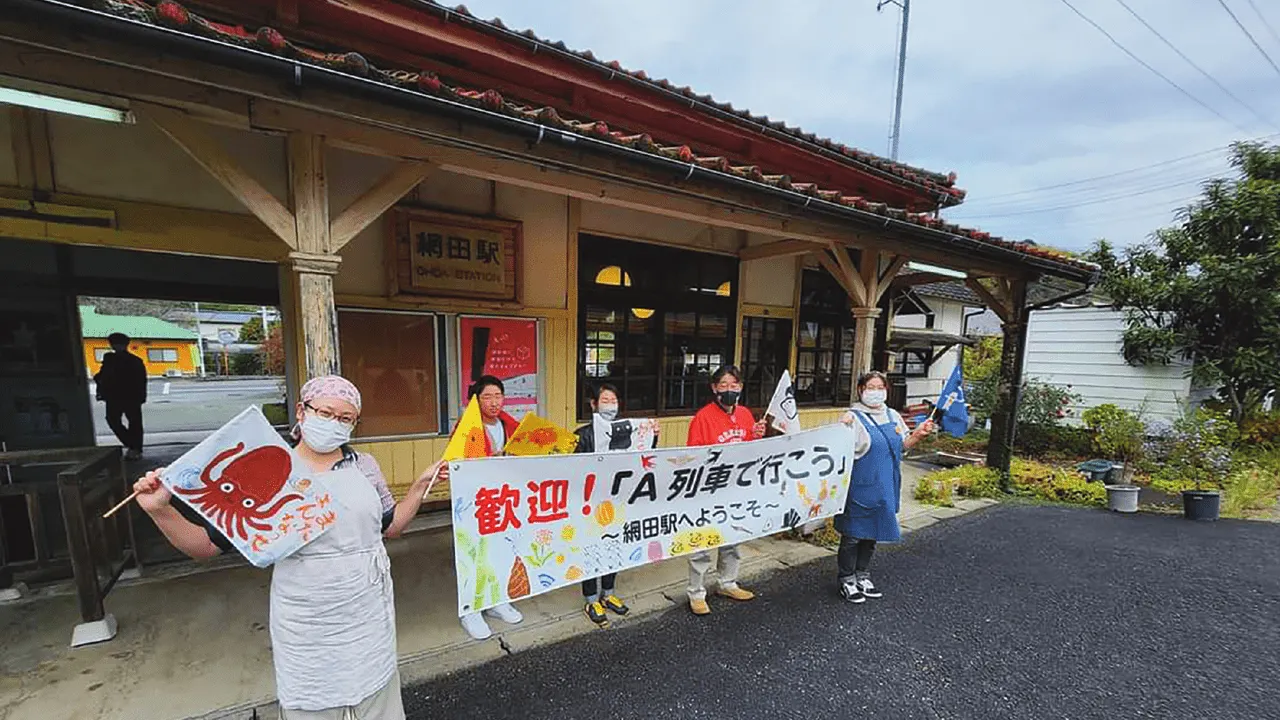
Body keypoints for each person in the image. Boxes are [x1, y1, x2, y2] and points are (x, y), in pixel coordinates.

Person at [131, 375, 444, 720]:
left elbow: (390, 527)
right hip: (307, 618)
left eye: (345, 418)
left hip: (368, 610)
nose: (335, 424)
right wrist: (161, 510)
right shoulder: (273, 472)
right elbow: (204, 546)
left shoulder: (365, 466)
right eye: (326, 412)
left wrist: (419, 486)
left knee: (376, 692)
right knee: (314, 701)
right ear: (302, 411)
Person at [835, 371, 935, 604]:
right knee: (852, 534)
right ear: (860, 390)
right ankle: (846, 579)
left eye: (881, 387)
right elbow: (837, 450)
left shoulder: (892, 415)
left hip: (886, 484)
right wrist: (840, 428)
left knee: (873, 532)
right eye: (871, 387)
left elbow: (902, 445)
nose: (876, 392)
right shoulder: (852, 417)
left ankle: (863, 575)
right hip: (859, 486)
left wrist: (919, 435)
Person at [684, 365, 767, 615]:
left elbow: (751, 452)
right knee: (701, 542)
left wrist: (757, 436)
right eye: (723, 385)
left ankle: (727, 582)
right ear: (714, 388)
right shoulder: (703, 417)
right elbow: (693, 455)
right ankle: (696, 592)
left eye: (734, 385)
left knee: (732, 538)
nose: (729, 390)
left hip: (737, 490)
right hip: (709, 490)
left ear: (740, 388)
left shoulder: (745, 414)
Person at [572, 382, 656, 627]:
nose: (610, 405)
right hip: (589, 505)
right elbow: (569, 470)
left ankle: (608, 594)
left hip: (618, 502)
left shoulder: (628, 432)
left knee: (613, 547)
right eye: (604, 400)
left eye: (613, 400)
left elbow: (643, 461)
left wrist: (653, 436)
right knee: (591, 550)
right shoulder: (583, 435)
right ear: (593, 405)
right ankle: (590, 599)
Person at [458, 375, 525, 640]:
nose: (494, 402)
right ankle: (471, 610)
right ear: (475, 399)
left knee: (502, 550)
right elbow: (459, 464)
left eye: (498, 395)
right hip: (475, 503)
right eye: (487, 396)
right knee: (473, 554)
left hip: (504, 500)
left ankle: (497, 601)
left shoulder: (511, 426)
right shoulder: (467, 429)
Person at [94, 332, 148, 460]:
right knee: (129, 422)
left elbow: (140, 380)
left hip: (121, 396)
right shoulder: (127, 360)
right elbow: (142, 380)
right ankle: (134, 446)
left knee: (121, 421)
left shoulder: (116, 361)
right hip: (124, 396)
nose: (115, 346)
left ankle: (133, 446)